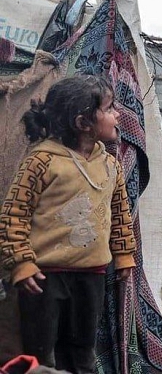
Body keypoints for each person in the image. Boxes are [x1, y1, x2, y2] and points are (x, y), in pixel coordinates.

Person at [0, 75, 137, 374]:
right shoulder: (42, 161)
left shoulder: (110, 164)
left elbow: (120, 213)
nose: (117, 114)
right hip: (43, 278)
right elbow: (14, 214)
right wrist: (21, 263)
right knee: (41, 351)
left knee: (82, 350)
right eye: (109, 108)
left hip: (92, 275)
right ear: (82, 122)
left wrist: (124, 254)